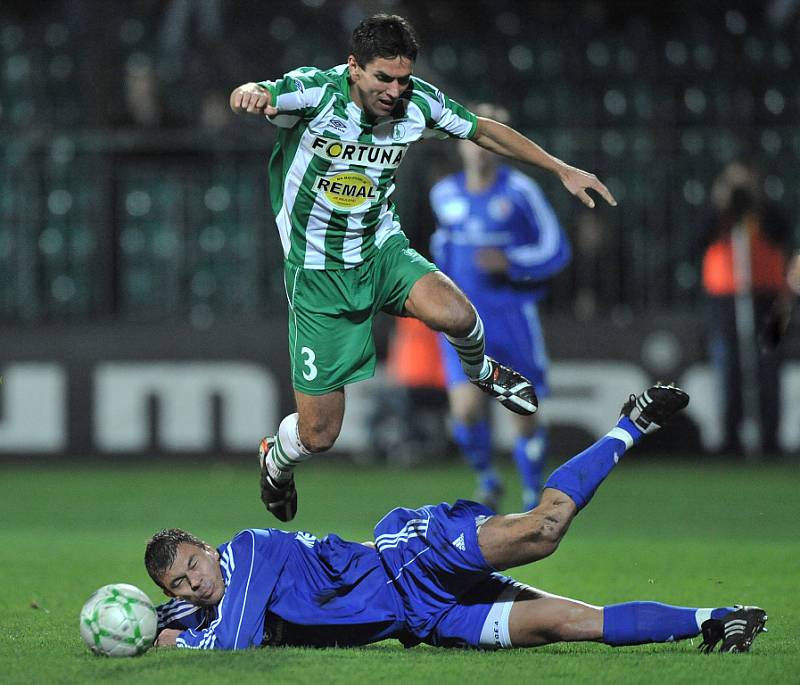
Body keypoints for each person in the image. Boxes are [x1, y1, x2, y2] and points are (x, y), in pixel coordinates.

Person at [228, 14, 616, 521]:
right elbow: (261, 91)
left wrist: (561, 169)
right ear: (353, 68)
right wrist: (247, 93)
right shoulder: (315, 93)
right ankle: (275, 458)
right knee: (319, 433)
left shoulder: (419, 103)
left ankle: (482, 372)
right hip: (319, 273)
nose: (394, 90)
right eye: (382, 78)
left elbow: (483, 132)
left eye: (402, 78)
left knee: (458, 315)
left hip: (380, 249)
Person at [145, 383, 767, 654]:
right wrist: (146, 624)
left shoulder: (248, 551)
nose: (195, 581)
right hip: (424, 619)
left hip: (411, 560)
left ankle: (632, 423)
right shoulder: (208, 602)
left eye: (193, 564)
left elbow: (231, 643)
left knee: (544, 529)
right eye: (181, 583)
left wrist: (171, 646)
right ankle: (718, 618)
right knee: (569, 624)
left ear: (206, 546)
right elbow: (179, 620)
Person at [429, 103, 572, 511]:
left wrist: (511, 261)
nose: (480, 147)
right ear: (460, 144)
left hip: (512, 316)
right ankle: (488, 480)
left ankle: (532, 493)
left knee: (521, 409)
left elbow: (555, 248)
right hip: (462, 321)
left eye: (493, 136)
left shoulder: (521, 191)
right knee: (466, 410)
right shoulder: (443, 195)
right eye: (472, 138)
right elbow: (438, 251)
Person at [701, 160, 792, 454]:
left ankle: (770, 439)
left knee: (769, 368)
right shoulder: (719, 214)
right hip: (725, 299)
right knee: (728, 368)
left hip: (768, 298)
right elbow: (698, 240)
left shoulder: (767, 211)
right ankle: (730, 438)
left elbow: (783, 233)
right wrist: (722, 204)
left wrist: (756, 202)